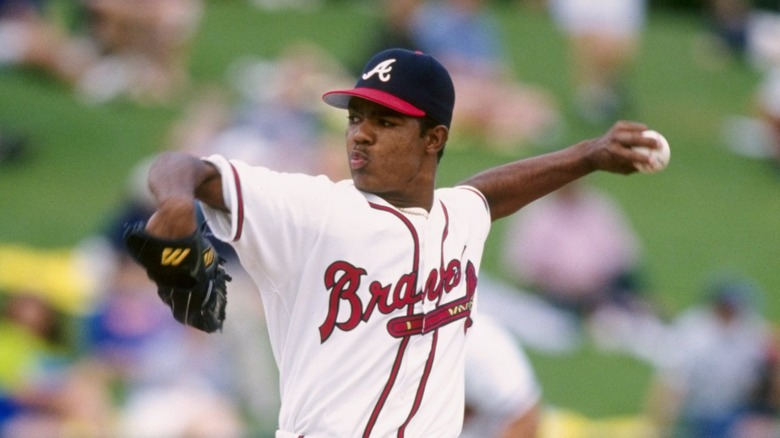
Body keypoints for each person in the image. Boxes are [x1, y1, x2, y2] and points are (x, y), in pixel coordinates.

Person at [132, 47, 662, 437]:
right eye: (356, 118)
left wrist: (589, 155)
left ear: (434, 139)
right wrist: (177, 201)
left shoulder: (457, 217)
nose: (360, 133)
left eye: (384, 121)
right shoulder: (311, 210)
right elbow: (183, 167)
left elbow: (488, 194)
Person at [645, 276, 774, 438]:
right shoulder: (693, 335)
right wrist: (660, 427)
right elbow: (672, 385)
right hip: (700, 414)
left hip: (739, 411)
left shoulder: (751, 331)